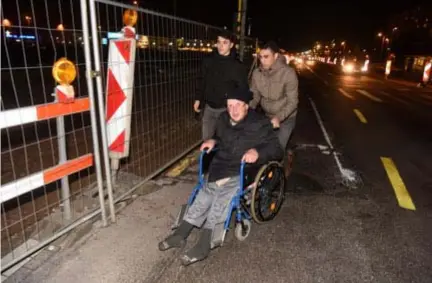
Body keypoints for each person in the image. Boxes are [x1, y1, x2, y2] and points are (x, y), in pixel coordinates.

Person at [159, 88, 283, 265]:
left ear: (246, 105)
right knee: (203, 196)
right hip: (221, 168)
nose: (233, 110)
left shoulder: (260, 123)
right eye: (230, 105)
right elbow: (219, 137)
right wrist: (213, 141)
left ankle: (204, 245)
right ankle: (180, 234)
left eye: (237, 105)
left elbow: (277, 150)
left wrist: (258, 152)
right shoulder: (223, 119)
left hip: (244, 172)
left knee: (221, 201)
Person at [249, 41, 299, 176]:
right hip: (267, 115)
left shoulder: (288, 73)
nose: (262, 60)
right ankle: (264, 173)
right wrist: (246, 109)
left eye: (267, 57)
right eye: (260, 57)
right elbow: (255, 96)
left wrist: (279, 117)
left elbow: (293, 101)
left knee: (277, 148)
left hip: (286, 117)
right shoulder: (257, 74)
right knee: (262, 145)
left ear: (276, 56)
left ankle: (278, 176)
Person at [194, 30, 249, 140]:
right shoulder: (208, 61)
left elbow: (243, 88)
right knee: (206, 141)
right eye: (219, 42)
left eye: (225, 42)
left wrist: (240, 107)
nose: (221, 46)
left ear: (231, 45)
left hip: (226, 110)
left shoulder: (237, 66)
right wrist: (198, 99)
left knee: (224, 141)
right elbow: (202, 80)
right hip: (209, 107)